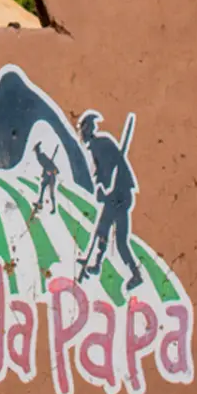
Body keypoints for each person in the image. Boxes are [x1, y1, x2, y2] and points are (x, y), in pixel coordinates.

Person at [76, 111, 144, 293]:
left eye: (83, 130)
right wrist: (101, 189)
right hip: (113, 195)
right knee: (102, 229)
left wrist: (106, 190)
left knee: (120, 241)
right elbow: (100, 174)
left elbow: (113, 169)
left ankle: (135, 274)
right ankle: (96, 264)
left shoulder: (102, 144)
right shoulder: (95, 147)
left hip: (120, 195)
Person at [33, 143, 59, 214]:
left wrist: (51, 171)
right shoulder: (45, 163)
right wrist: (44, 173)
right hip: (47, 177)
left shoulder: (47, 162)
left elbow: (56, 171)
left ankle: (53, 208)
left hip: (51, 179)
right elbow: (45, 169)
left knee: (51, 194)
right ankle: (40, 202)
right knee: (43, 187)